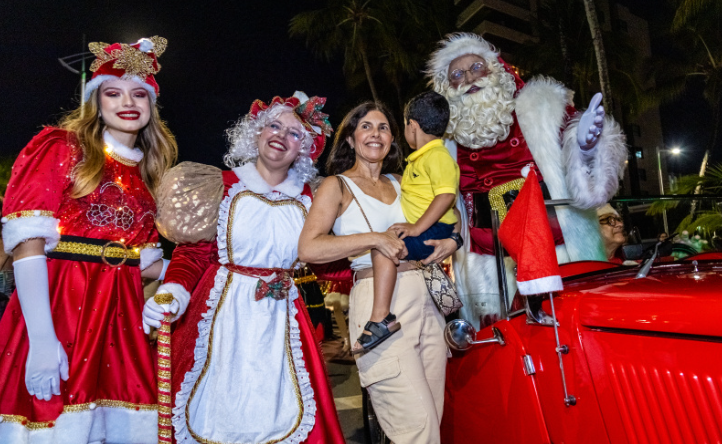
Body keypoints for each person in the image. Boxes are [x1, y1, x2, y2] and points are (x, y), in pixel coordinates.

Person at [0, 37, 175, 443]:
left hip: (120, 318)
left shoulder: (146, 177)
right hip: (61, 307)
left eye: (139, 94)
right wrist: (42, 338)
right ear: (96, 102)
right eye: (113, 93)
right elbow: (27, 242)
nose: (127, 102)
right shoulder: (62, 147)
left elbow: (142, 262)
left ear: (151, 106)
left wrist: (211, 272)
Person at [142, 92, 344, 443]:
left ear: (306, 149)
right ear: (256, 133)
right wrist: (173, 289)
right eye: (274, 126)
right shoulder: (222, 186)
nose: (281, 136)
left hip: (282, 316)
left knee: (282, 408)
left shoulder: (313, 200)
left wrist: (380, 261)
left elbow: (329, 262)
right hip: (220, 312)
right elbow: (193, 255)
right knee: (212, 408)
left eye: (295, 133)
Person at [426, 32, 628, 328]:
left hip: (557, 246)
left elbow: (588, 181)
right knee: (503, 343)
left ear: (495, 70)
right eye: (457, 74)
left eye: (476, 67)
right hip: (486, 258)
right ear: (448, 87)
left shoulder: (542, 108)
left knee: (571, 329)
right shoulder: (445, 142)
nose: (469, 78)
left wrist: (585, 147)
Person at [298, 101, 459, 443]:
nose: (376, 133)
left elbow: (448, 208)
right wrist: (374, 239)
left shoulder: (404, 180)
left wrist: (453, 240)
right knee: (416, 428)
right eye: (366, 127)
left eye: (383, 127)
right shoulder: (336, 187)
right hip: (378, 308)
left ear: (392, 139)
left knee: (434, 420)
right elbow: (309, 249)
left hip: (427, 299)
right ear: (351, 140)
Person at [355, 91, 460, 355]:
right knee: (385, 245)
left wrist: (416, 228)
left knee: (383, 247)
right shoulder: (422, 159)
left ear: (412, 125)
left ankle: (380, 318)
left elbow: (447, 196)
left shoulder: (437, 156)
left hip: (434, 230)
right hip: (432, 231)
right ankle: (381, 317)